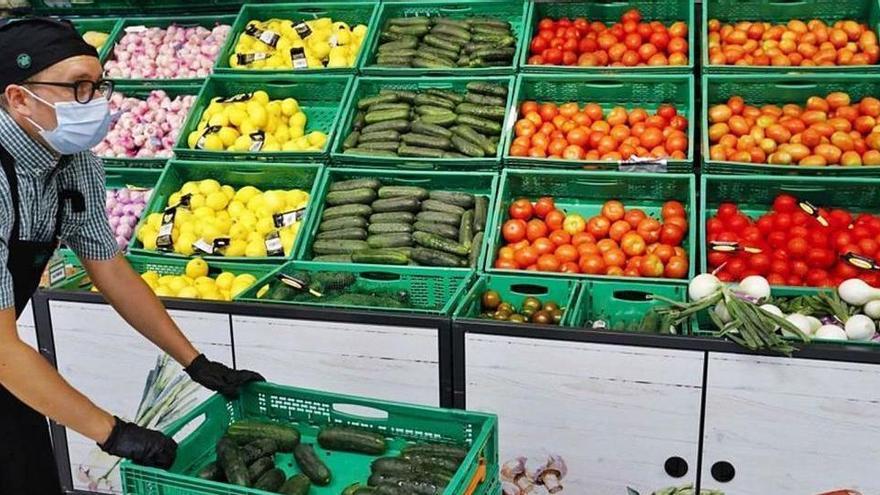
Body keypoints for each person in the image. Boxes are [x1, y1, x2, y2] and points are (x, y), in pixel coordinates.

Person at [0, 18, 265, 494]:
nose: (97, 102)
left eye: (99, 84)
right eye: (78, 87)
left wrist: (194, 362)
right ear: (19, 99)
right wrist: (113, 432)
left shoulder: (74, 162)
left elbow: (110, 269)